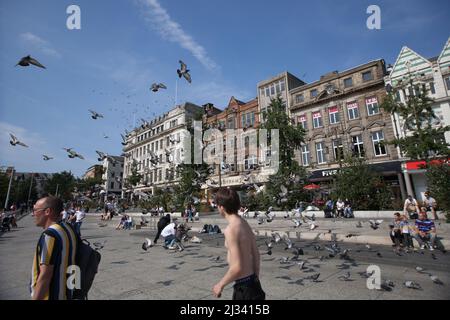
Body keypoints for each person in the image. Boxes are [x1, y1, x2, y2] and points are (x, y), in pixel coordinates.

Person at [212, 188, 265, 300]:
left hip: (244, 288)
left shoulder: (231, 230)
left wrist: (220, 285)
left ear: (221, 207)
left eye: (217, 205)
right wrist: (255, 278)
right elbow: (256, 254)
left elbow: (237, 267)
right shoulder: (243, 222)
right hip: (254, 284)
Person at [30, 196, 78, 300]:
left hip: (51, 295)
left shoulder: (49, 235)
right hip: (68, 293)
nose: (33, 214)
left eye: (35, 210)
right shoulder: (69, 228)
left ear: (47, 211)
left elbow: (45, 275)